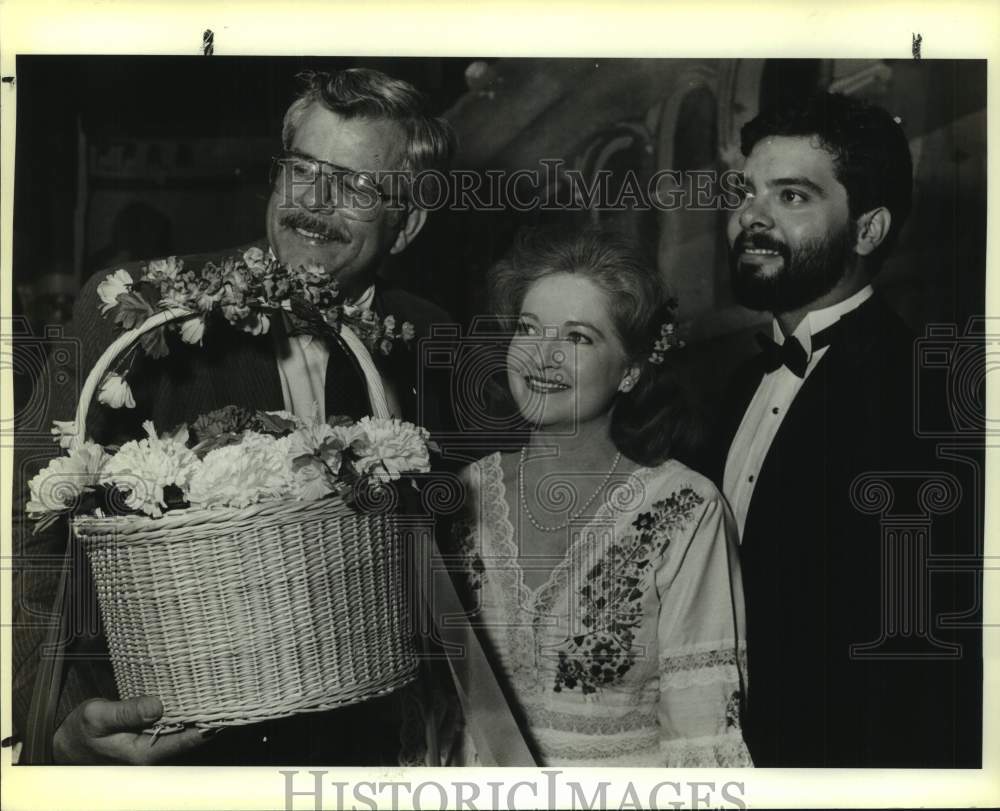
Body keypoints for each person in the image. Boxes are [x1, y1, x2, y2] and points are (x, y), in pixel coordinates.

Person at [12, 67, 456, 764]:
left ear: (407, 225)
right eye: (302, 170)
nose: (314, 203)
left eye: (358, 186)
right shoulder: (134, 307)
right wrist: (58, 719)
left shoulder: (430, 342)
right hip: (163, 747)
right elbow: (28, 542)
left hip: (355, 752)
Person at [711, 91, 981, 767]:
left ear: (867, 230)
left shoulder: (925, 398)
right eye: (747, 191)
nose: (751, 216)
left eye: (792, 196)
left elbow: (917, 665)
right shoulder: (738, 388)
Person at [415, 226, 751, 767]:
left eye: (577, 338)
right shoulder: (461, 494)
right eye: (529, 329)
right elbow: (437, 710)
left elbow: (701, 726)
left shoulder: (686, 508)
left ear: (631, 370)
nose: (541, 357)